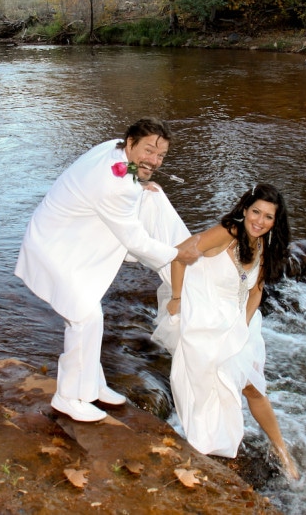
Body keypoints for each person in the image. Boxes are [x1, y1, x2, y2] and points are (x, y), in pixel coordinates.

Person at [15, 117, 198, 423]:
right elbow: (135, 240)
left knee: (90, 315)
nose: (154, 160)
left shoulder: (111, 150)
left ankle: (92, 384)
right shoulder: (115, 186)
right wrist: (177, 253)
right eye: (149, 150)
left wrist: (140, 182)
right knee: (84, 317)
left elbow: (124, 179)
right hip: (53, 247)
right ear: (130, 143)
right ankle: (68, 397)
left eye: (161, 155)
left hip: (67, 236)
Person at [152, 183, 299, 479]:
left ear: (275, 221)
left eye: (268, 216)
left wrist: (241, 327)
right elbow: (180, 254)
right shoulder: (228, 231)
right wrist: (177, 298)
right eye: (255, 212)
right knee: (206, 386)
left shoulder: (265, 244)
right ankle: (200, 448)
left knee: (252, 386)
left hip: (235, 320)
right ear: (244, 210)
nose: (260, 220)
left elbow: (256, 290)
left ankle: (282, 451)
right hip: (203, 315)